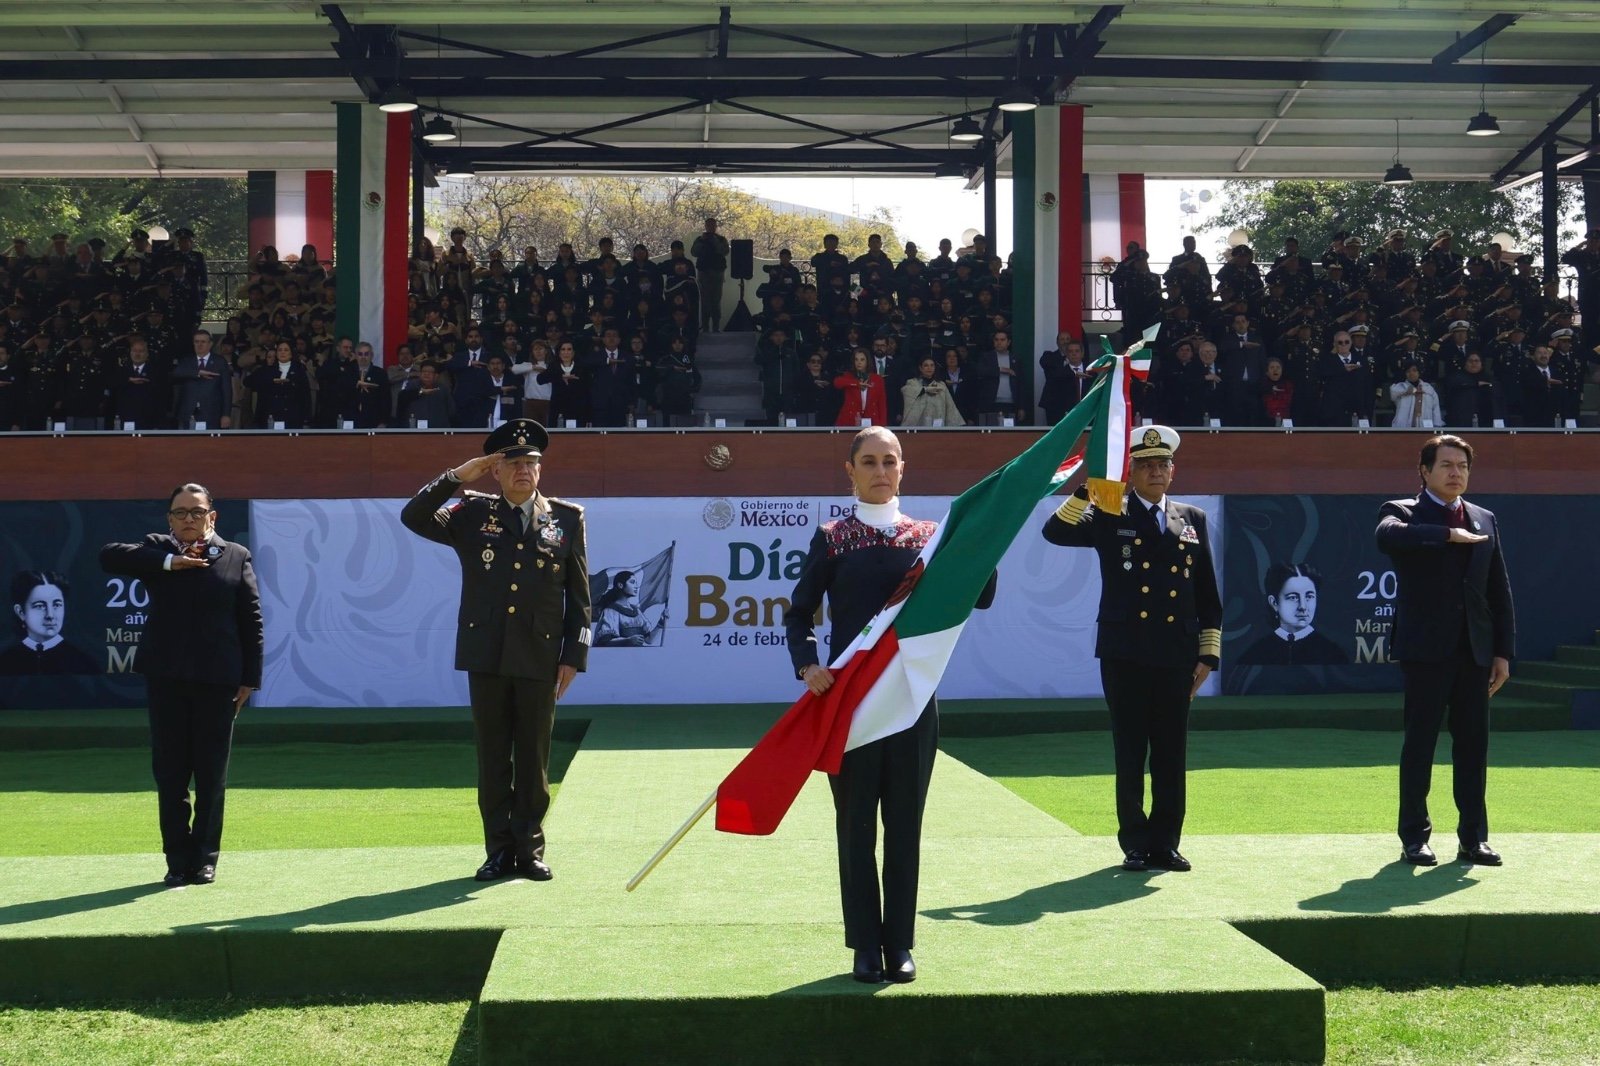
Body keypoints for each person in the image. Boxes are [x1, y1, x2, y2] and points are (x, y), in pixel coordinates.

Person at [785, 426, 995, 985]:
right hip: (848, 710)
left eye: (890, 461)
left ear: (904, 469)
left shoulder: (929, 537)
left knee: (905, 828)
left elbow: (983, 591)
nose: (881, 471)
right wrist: (808, 666)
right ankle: (864, 946)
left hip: (911, 706)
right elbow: (799, 613)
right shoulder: (831, 537)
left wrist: (981, 539)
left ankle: (899, 943)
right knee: (855, 829)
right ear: (849, 471)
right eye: (870, 461)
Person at [400, 419, 590, 883]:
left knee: (533, 758)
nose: (524, 470)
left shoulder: (566, 519)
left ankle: (530, 850)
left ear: (540, 470)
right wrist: (456, 475)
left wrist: (573, 656)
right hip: (486, 653)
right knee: (492, 757)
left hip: (540, 656)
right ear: (495, 471)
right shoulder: (470, 513)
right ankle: (498, 851)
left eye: (531, 463)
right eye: (513, 464)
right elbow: (414, 516)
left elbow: (580, 597)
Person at [1041, 426, 1221, 873]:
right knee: (1130, 749)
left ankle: (1166, 842)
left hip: (1177, 654)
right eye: (1145, 465)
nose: (1156, 472)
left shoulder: (1192, 518)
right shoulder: (1109, 509)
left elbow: (1207, 594)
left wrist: (1208, 655)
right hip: (1125, 652)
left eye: (1163, 465)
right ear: (1132, 472)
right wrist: (1088, 488)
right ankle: (1135, 843)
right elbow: (1054, 532)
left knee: (1170, 751)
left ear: (1173, 472)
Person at [99, 484, 262, 887]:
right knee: (170, 776)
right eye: (180, 512)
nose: (188, 518)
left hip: (218, 682)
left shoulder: (235, 556)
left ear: (213, 516)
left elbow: (251, 622)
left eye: (196, 511)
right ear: (169, 519)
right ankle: (177, 861)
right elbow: (108, 556)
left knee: (210, 776)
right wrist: (171, 562)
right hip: (167, 679)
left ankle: (205, 859)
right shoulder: (157, 550)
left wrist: (249, 680)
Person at [1376, 435, 1515, 867]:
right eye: (1446, 465)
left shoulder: (1485, 517)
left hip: (1474, 652)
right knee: (1419, 745)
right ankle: (1414, 838)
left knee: (1473, 748)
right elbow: (1387, 537)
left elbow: (1498, 589)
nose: (1456, 473)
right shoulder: (1401, 512)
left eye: (1463, 466)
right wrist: (1446, 535)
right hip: (1426, 651)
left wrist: (1502, 653)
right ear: (1425, 471)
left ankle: (1474, 838)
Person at [1237, 563, 1349, 665]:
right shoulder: (1254, 654)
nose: (1303, 607)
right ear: (1274, 602)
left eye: (1309, 597)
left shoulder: (1333, 654)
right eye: (1293, 597)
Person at [0, 570, 99, 674]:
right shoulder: (5, 661)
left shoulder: (84, 663)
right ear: (20, 612)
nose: (50, 615)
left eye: (56, 605)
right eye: (40, 606)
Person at [593, 570, 667, 647]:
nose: (636, 586)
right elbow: (604, 641)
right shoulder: (610, 611)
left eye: (636, 583)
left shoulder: (636, 611)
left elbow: (648, 640)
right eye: (632, 582)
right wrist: (628, 640)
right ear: (620, 585)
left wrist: (660, 623)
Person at [898, 356, 965, 427]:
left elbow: (950, 407)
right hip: (918, 426)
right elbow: (906, 391)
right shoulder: (912, 382)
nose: (929, 368)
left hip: (937, 424)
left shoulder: (941, 385)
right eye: (926, 365)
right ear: (920, 368)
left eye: (932, 365)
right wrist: (925, 390)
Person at [690, 217, 729, 332]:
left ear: (716, 227)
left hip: (717, 273)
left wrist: (715, 241)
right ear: (705, 226)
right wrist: (702, 241)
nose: (711, 228)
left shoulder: (721, 239)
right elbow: (694, 252)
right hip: (704, 273)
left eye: (713, 225)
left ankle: (716, 327)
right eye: (708, 225)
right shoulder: (700, 239)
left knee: (716, 301)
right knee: (705, 301)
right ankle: (705, 327)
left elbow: (724, 251)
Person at [833, 348, 888, 427]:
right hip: (850, 419)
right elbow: (837, 383)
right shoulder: (849, 376)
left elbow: (882, 404)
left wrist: (883, 425)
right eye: (856, 360)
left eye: (862, 360)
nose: (859, 362)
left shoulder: (877, 379)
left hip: (872, 420)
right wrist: (856, 384)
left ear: (867, 361)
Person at [1390, 361, 1442, 429]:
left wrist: (1437, 427)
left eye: (1414, 370)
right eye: (1408, 371)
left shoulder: (1428, 388)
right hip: (1403, 429)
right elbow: (1393, 395)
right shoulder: (1400, 387)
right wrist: (1407, 391)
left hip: (1426, 428)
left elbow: (1436, 409)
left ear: (1419, 372)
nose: (1411, 373)